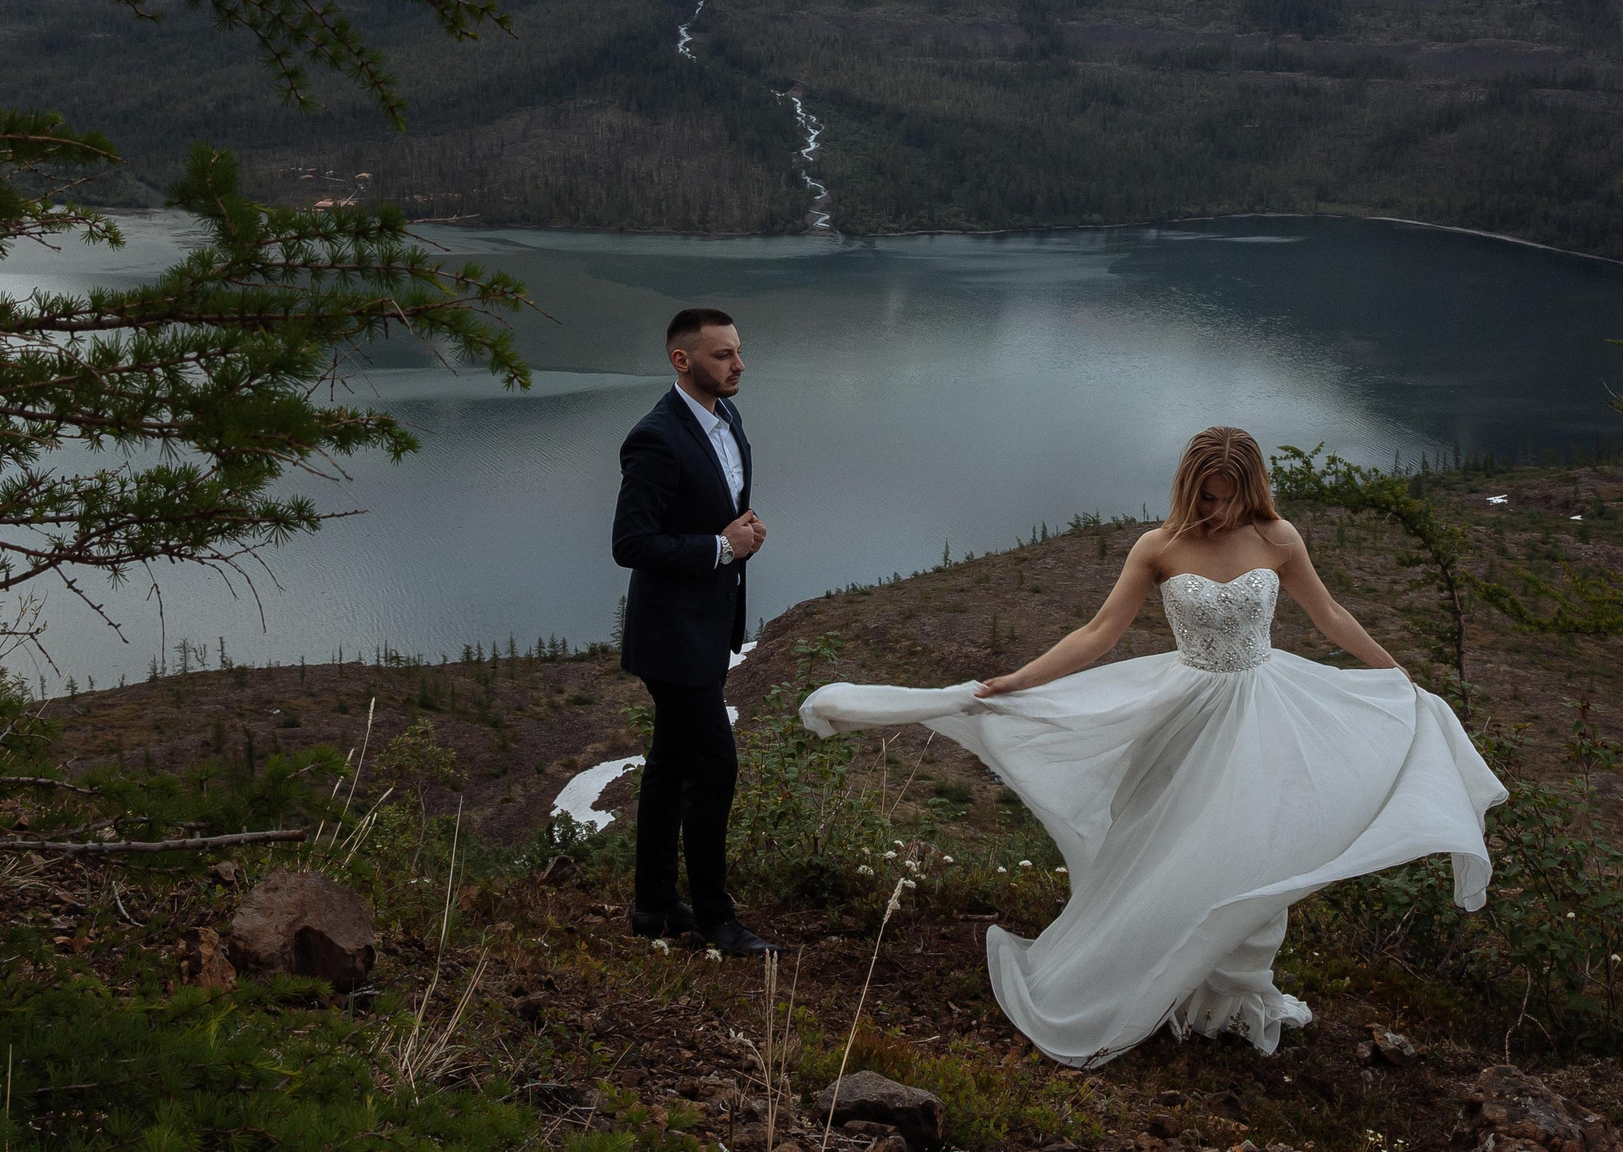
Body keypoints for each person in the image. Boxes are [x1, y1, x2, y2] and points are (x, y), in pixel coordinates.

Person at [799, 426, 1504, 1068]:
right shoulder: (1159, 545)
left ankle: (1227, 1001)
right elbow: (1099, 632)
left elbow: (1330, 614)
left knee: (1252, 852)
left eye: (1229, 498)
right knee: (1159, 848)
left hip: (1262, 712)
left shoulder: (1280, 537)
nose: (1217, 511)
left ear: (1251, 490)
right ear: (1188, 487)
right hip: (1184, 713)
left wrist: (1393, 672)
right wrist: (1017, 677)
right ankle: (1136, 980)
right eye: (1205, 496)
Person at [612, 306, 781, 957]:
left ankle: (654, 904)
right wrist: (719, 547)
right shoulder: (654, 437)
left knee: (670, 765)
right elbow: (631, 542)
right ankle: (715, 917)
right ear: (682, 361)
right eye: (722, 355)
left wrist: (741, 535)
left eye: (738, 351)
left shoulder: (727, 417)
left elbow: (720, 504)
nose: (738, 364)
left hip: (709, 626)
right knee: (715, 766)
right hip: (672, 637)